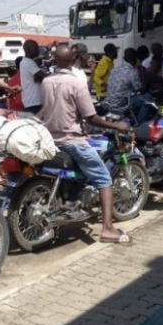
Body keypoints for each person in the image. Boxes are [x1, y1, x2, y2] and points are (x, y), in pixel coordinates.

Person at [39, 46, 132, 244]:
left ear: (54, 60)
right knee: (104, 179)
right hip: (72, 141)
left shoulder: (46, 81)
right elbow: (91, 118)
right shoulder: (77, 83)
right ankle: (108, 229)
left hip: (50, 140)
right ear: (73, 60)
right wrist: (118, 125)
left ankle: (72, 200)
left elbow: (48, 109)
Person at [106, 48, 143, 114]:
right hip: (122, 104)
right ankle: (140, 123)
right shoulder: (132, 72)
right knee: (147, 98)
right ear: (136, 59)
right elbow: (140, 89)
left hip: (109, 102)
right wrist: (141, 68)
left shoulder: (115, 70)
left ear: (124, 58)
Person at [19, 40, 47, 114]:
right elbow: (44, 77)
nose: (37, 50)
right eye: (35, 48)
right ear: (28, 50)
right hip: (34, 102)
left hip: (31, 101)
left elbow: (36, 79)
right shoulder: (29, 63)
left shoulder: (26, 62)